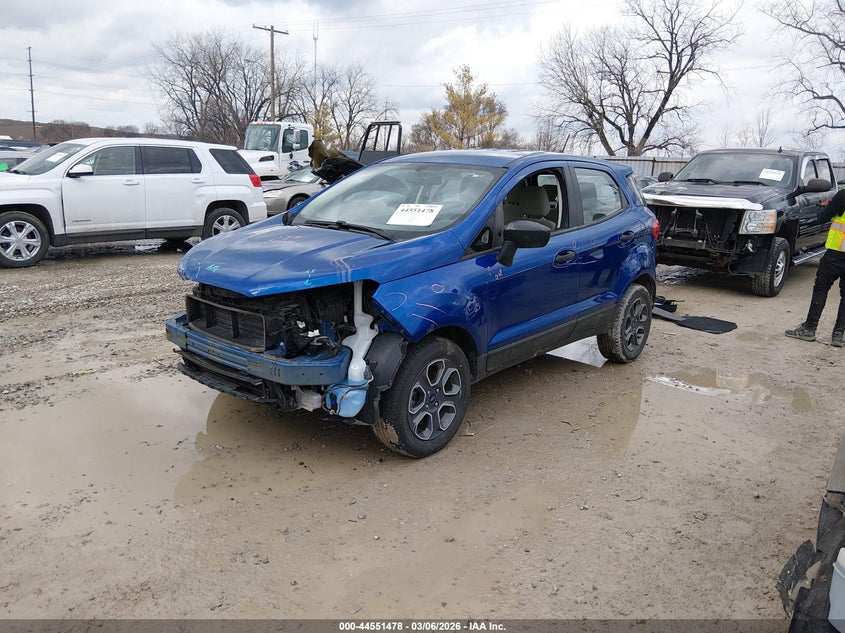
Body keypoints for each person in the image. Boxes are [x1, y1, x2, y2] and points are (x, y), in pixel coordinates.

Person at [785, 188, 845, 347]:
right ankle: (839, 335)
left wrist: (825, 208)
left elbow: (822, 218)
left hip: (836, 254)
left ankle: (809, 328)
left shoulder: (843, 195)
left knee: (821, 287)